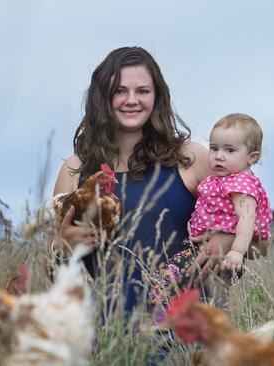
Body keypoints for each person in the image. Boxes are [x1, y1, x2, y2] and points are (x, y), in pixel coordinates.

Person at [51, 46, 212, 313]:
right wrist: (63, 247)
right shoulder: (75, 168)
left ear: (157, 97)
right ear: (102, 98)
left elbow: (256, 242)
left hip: (181, 331)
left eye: (142, 91)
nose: (131, 100)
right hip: (105, 337)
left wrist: (219, 244)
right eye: (119, 91)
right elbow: (55, 268)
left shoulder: (191, 158)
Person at [149, 113, 272, 306]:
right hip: (202, 247)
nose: (219, 156)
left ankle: (156, 309)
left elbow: (247, 220)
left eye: (230, 150)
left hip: (221, 252)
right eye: (214, 148)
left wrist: (237, 252)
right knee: (190, 288)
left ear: (251, 157)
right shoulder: (222, 179)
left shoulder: (242, 184)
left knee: (162, 283)